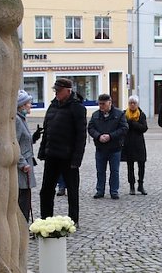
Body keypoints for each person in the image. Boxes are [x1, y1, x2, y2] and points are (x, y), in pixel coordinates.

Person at [39, 77, 87, 225]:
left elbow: (81, 136)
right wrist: (43, 150)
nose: (57, 93)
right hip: (52, 154)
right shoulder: (53, 106)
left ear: (68, 91)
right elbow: (47, 130)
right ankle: (46, 218)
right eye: (56, 91)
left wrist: (77, 159)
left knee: (72, 190)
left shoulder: (77, 108)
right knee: (46, 190)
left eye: (59, 91)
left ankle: (73, 220)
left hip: (68, 156)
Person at [88, 93, 127, 199]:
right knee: (100, 171)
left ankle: (114, 191)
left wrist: (110, 136)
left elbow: (124, 128)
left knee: (114, 171)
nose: (101, 106)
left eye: (103, 104)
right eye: (99, 104)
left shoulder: (119, 114)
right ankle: (100, 190)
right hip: (100, 147)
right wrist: (98, 136)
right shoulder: (96, 115)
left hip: (115, 148)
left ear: (109, 103)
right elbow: (90, 128)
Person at [16, 89, 36, 222]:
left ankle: (24, 224)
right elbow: (14, 143)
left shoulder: (22, 119)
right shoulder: (17, 120)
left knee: (26, 197)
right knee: (23, 197)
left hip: (26, 163)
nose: (30, 106)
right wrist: (22, 163)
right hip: (22, 167)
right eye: (28, 103)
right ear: (21, 105)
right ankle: (22, 225)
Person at [121, 95, 148, 195]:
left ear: (137, 104)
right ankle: (131, 186)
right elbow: (122, 127)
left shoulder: (141, 114)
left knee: (141, 164)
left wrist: (133, 123)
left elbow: (144, 128)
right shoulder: (124, 114)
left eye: (134, 103)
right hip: (128, 143)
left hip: (139, 143)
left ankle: (141, 185)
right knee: (130, 165)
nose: (132, 105)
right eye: (130, 103)